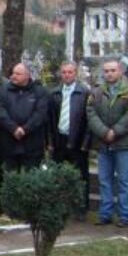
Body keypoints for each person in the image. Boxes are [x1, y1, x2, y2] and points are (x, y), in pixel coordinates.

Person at [87, 59, 128, 227]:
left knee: (124, 180)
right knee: (104, 180)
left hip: (124, 143)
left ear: (120, 72)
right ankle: (105, 214)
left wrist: (115, 131)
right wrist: (104, 132)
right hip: (103, 143)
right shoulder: (96, 92)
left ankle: (125, 215)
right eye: (106, 71)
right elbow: (91, 113)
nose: (109, 73)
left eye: (112, 70)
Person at [49, 62, 90, 217]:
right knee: (57, 174)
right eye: (64, 72)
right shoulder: (55, 93)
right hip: (59, 138)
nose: (67, 75)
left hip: (77, 140)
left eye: (70, 72)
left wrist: (86, 143)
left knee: (80, 175)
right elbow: (50, 119)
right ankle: (60, 206)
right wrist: (50, 141)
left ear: (76, 73)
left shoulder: (84, 93)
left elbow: (88, 121)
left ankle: (80, 208)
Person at [0, 62, 49, 173]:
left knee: (30, 177)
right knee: (9, 177)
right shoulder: (2, 90)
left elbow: (40, 114)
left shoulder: (39, 91)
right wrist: (14, 128)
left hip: (32, 144)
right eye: (13, 73)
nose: (14, 76)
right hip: (8, 142)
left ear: (27, 76)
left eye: (18, 74)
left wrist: (25, 129)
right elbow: (0, 112)